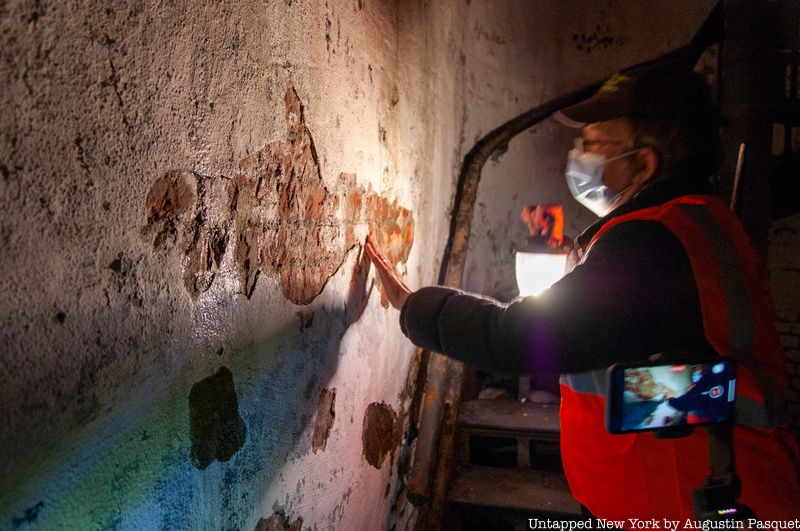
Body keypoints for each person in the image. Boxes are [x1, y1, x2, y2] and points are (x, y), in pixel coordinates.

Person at [364, 64, 800, 521]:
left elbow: (522, 336)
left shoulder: (653, 242)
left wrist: (414, 306)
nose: (580, 157)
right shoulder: (689, 225)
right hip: (685, 498)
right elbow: (657, 378)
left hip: (706, 507)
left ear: (645, 163)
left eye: (594, 146)